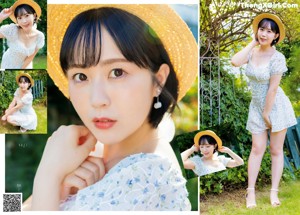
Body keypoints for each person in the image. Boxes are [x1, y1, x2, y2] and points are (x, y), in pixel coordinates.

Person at [25, 5, 197, 211]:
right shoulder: (86, 155)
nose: (97, 99)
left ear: (158, 81)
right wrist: (58, 188)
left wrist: (48, 175)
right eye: (81, 76)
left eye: (117, 72)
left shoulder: (149, 177)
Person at [231, 13, 297, 208]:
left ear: (276, 36)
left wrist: (267, 114)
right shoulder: (251, 53)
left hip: (275, 106)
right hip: (256, 106)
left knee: (276, 150)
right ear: (256, 31)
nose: (264, 34)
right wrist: (252, 43)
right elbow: (235, 61)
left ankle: (273, 193)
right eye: (262, 29)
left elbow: (273, 88)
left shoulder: (278, 58)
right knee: (257, 148)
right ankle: (250, 192)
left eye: (269, 31)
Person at [0, 0, 45, 69]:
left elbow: (30, 57)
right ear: (17, 21)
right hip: (8, 64)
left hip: (25, 65)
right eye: (20, 18)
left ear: (34, 16)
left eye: (27, 15)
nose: (24, 21)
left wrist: (21, 69)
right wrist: (1, 17)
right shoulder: (13, 30)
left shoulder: (39, 36)